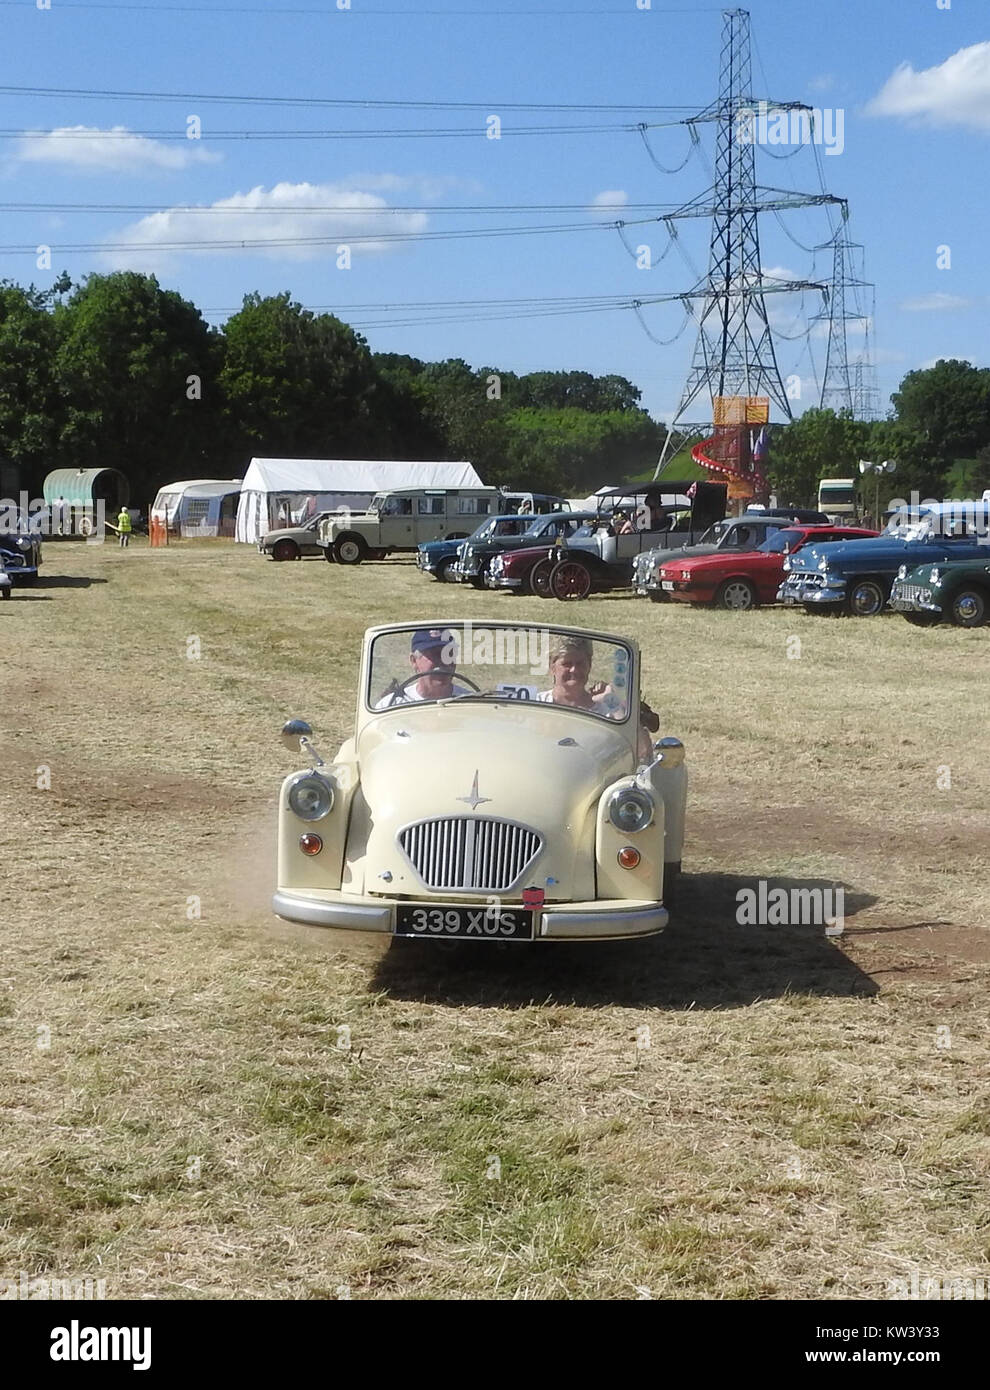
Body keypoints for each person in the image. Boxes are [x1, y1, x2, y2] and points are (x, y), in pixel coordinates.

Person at [375, 628, 473, 708]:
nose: (443, 662)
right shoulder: (391, 705)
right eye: (435, 654)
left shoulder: (471, 703)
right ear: (414, 661)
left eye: (448, 654)